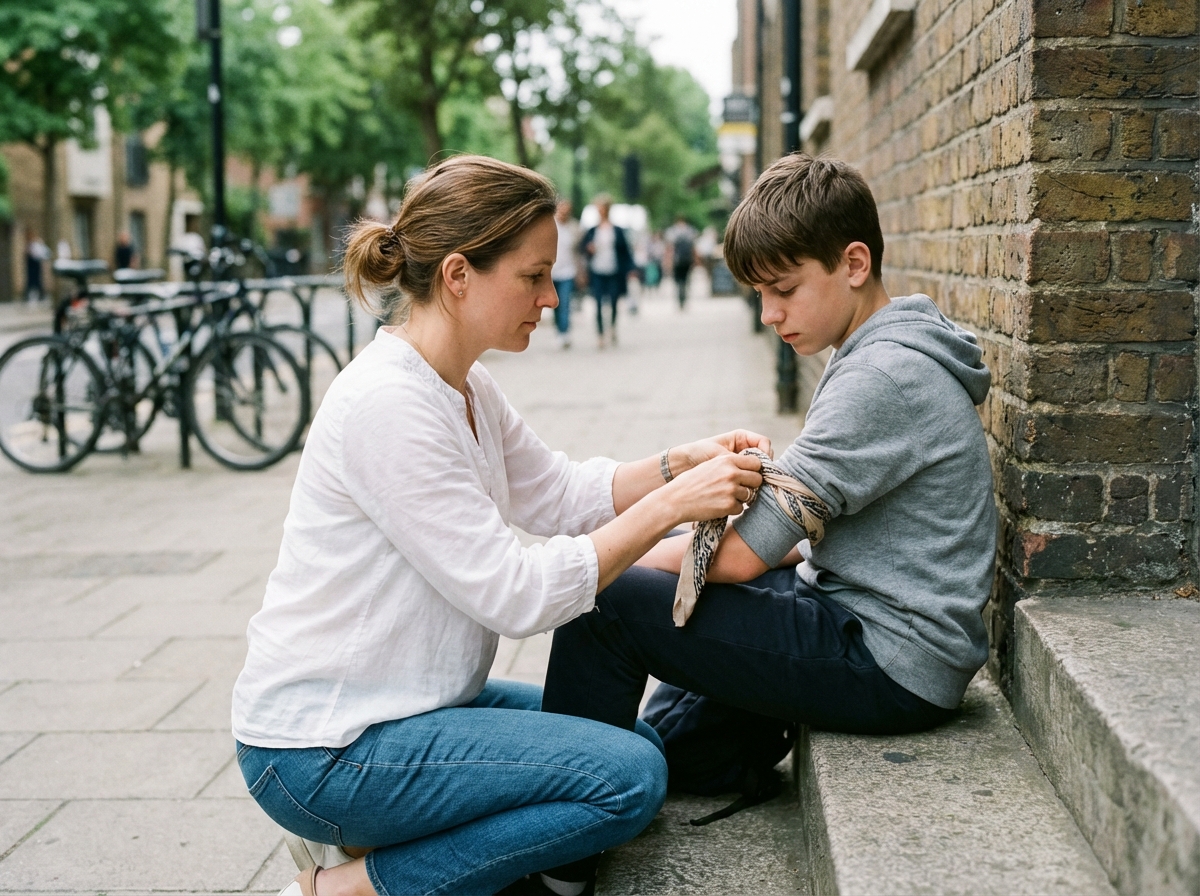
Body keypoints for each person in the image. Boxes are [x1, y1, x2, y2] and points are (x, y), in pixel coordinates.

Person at [230, 155, 768, 896]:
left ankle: (406, 840)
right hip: (324, 747)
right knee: (629, 779)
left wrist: (679, 463)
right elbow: (517, 597)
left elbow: (559, 493)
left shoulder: (463, 382)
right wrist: (673, 507)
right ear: (458, 275)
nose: (552, 294)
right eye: (533, 275)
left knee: (633, 743)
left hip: (415, 705)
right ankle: (347, 888)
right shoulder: (389, 406)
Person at [541, 154, 997, 752]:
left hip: (888, 657)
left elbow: (739, 559)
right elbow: (800, 536)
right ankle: (678, 757)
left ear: (853, 263)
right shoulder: (884, 351)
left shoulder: (881, 377)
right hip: (872, 621)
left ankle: (573, 794)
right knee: (672, 725)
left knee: (604, 604)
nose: (770, 314)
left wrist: (612, 561)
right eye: (759, 293)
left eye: (784, 290)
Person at [580, 194, 633, 348]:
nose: (600, 211)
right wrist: (589, 249)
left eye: (602, 208)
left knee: (614, 302)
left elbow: (625, 251)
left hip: (614, 271)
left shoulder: (617, 230)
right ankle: (601, 335)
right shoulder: (592, 230)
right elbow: (583, 248)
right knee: (597, 303)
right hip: (597, 271)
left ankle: (613, 328)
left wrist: (630, 268)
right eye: (598, 209)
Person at [551, 200, 579, 349]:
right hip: (551, 272)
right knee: (555, 304)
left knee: (566, 303)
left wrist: (581, 272)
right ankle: (558, 330)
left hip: (568, 271)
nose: (564, 213)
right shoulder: (549, 226)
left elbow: (578, 252)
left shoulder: (574, 228)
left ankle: (565, 332)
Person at [663, 216, 697, 309]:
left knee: (678, 281)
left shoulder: (672, 232)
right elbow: (693, 248)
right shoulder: (690, 231)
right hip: (687, 260)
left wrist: (668, 261)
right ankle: (683, 297)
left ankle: (680, 298)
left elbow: (669, 248)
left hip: (677, 261)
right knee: (685, 280)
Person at [23, 230, 50, 303]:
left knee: (37, 280)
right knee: (31, 281)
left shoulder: (36, 244)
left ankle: (39, 295)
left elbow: (43, 253)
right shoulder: (28, 245)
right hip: (31, 264)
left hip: (35, 264)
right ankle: (32, 296)